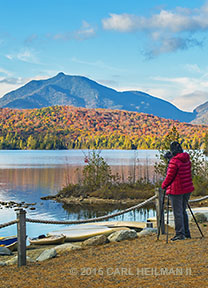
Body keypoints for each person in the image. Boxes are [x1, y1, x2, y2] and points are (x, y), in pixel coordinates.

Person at [162, 141, 194, 241]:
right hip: (186, 189)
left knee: (177, 213)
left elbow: (170, 176)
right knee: (183, 211)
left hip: (176, 190)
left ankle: (180, 234)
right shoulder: (186, 159)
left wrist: (163, 186)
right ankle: (186, 233)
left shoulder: (174, 161)